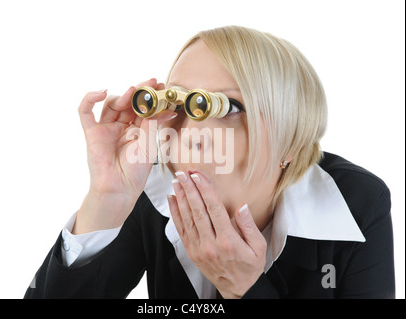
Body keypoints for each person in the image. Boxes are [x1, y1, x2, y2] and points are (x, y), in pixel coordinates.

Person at [24, 26, 395, 299]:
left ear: (291, 141)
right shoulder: (151, 188)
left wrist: (245, 289)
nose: (192, 133)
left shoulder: (357, 202)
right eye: (177, 104)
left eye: (227, 107)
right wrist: (105, 200)